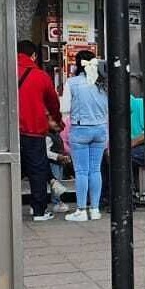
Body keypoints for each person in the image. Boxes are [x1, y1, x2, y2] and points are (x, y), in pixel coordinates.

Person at [59, 50, 108, 221]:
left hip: (80, 129)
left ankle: (81, 209)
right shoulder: (103, 83)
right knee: (96, 170)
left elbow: (64, 109)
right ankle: (95, 209)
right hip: (101, 129)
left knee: (81, 171)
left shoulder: (72, 83)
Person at [16, 41, 62, 221]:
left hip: (8, 132)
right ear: (34, 56)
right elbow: (53, 103)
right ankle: (38, 211)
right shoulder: (41, 76)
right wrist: (57, 121)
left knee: (10, 169)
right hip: (33, 130)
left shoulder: (6, 72)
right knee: (37, 170)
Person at [45, 129, 71, 214]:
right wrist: (58, 156)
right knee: (55, 183)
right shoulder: (49, 136)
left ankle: (57, 201)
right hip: (53, 162)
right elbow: (46, 152)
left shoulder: (56, 135)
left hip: (58, 162)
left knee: (57, 183)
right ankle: (56, 202)